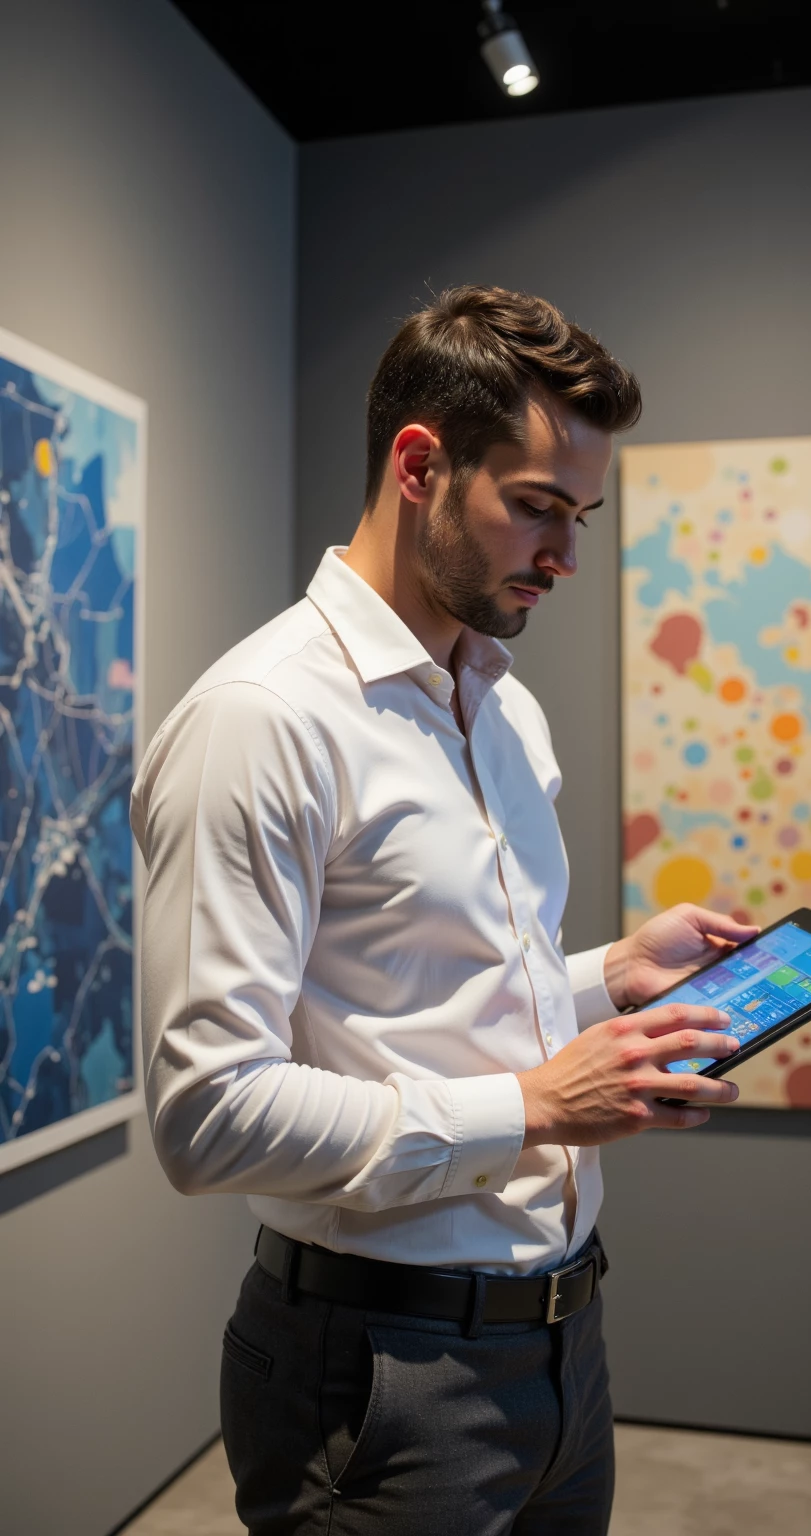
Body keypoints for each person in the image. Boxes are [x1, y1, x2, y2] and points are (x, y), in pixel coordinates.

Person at [130, 285, 755, 1536]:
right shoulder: (263, 720)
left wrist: (611, 975)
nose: (567, 556)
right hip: (376, 1371)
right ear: (419, 463)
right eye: (535, 509)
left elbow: (434, 995)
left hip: (564, 1345)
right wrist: (531, 1104)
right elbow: (206, 1115)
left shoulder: (506, 707)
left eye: (579, 515)